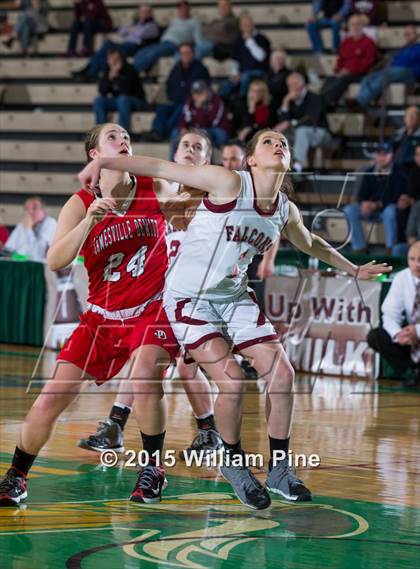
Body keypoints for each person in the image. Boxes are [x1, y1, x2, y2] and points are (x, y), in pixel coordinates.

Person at [78, 128, 390, 510]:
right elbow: (159, 166)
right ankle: (233, 461)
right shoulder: (227, 182)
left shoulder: (283, 209)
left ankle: (279, 469)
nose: (279, 145)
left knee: (283, 374)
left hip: (234, 296)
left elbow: (310, 241)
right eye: (268, 142)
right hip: (189, 298)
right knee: (232, 380)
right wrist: (103, 160)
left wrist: (351, 269)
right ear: (251, 159)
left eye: (284, 144)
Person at [0, 123, 185, 507]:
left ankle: (153, 469)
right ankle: (16, 477)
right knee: (49, 400)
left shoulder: (154, 188)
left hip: (151, 308)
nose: (124, 142)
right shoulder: (81, 202)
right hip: (100, 317)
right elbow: (54, 260)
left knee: (147, 373)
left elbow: (181, 187)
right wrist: (89, 222)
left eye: (127, 138)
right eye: (113, 137)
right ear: (94, 154)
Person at [78, 128, 222, 458]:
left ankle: (214, 433)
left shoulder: (212, 197)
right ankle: (123, 424)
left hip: (196, 295)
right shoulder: (160, 189)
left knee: (186, 367)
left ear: (206, 160)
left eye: (197, 147)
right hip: (160, 295)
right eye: (184, 144)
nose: (189, 150)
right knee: (149, 358)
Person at [367, 242, 420, 387]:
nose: (416, 264)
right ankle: (413, 373)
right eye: (412, 259)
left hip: (417, 331)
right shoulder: (402, 278)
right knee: (375, 336)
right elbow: (389, 314)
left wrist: (418, 331)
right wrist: (398, 334)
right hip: (411, 337)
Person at [139, 42, 210, 142]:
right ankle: (156, 132)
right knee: (162, 108)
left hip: (192, 104)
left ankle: (163, 134)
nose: (184, 55)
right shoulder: (176, 68)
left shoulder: (201, 69)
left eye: (187, 52)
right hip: (175, 101)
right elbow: (169, 85)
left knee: (180, 110)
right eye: (182, 53)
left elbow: (203, 90)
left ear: (193, 53)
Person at [343, 142, 405, 254]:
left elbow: (397, 195)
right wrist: (363, 203)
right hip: (369, 209)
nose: (382, 157)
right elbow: (361, 194)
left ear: (391, 155)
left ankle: (390, 248)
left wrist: (377, 204)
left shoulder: (398, 172)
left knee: (391, 211)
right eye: (379, 154)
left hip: (384, 209)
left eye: (385, 154)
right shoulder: (369, 171)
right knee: (349, 210)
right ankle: (360, 247)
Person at [72, 4, 160, 80]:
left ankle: (87, 71)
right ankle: (88, 71)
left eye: (146, 12)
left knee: (107, 49)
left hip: (134, 46)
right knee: (105, 51)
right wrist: (133, 30)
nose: (143, 14)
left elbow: (143, 34)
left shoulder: (152, 25)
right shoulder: (135, 24)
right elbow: (121, 31)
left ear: (150, 13)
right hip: (124, 44)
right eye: (142, 11)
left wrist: (131, 31)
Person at [275, 72, 334, 172]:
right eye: (289, 85)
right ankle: (279, 165)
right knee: (279, 134)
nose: (292, 88)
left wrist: (291, 123)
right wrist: (285, 103)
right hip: (299, 133)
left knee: (302, 131)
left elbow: (311, 119)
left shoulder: (315, 98)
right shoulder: (291, 100)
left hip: (320, 133)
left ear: (302, 85)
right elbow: (283, 123)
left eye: (294, 84)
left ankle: (297, 167)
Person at [354, 25, 420, 109]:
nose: (407, 36)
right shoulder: (401, 50)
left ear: (416, 35)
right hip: (394, 72)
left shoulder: (418, 48)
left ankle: (360, 102)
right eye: (405, 34)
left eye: (409, 34)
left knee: (389, 74)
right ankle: (365, 102)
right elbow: (392, 63)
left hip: (410, 74)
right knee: (367, 78)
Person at [321, 14, 377, 105]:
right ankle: (323, 101)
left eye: (357, 24)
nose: (355, 27)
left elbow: (368, 63)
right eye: (352, 24)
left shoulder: (369, 43)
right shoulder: (346, 42)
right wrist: (338, 69)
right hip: (345, 73)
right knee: (330, 79)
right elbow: (341, 59)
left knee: (344, 79)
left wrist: (350, 70)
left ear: (362, 26)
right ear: (349, 26)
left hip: (360, 74)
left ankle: (324, 102)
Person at [133, 1, 202, 73]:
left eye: (185, 8)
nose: (183, 10)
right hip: (163, 43)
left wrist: (195, 48)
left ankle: (135, 72)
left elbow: (198, 39)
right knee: (143, 51)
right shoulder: (175, 20)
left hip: (174, 44)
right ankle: (134, 69)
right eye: (180, 9)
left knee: (154, 52)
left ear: (188, 9)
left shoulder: (194, 22)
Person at [93, 48, 146, 132]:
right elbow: (102, 91)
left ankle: (122, 133)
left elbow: (126, 90)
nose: (113, 62)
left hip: (136, 100)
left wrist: (117, 76)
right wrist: (110, 79)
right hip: (118, 101)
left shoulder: (129, 70)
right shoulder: (108, 70)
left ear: (121, 59)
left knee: (123, 99)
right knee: (98, 101)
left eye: (116, 59)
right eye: (111, 59)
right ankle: (101, 132)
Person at [219, 13, 270, 99]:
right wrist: (235, 74)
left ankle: (243, 101)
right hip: (242, 73)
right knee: (225, 85)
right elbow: (235, 60)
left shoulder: (261, 38)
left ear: (253, 24)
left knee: (246, 77)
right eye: (244, 24)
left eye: (248, 23)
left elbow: (261, 57)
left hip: (259, 72)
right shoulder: (238, 40)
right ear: (240, 27)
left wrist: (250, 41)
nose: (246, 26)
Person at [174, 80, 231, 148]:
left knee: (205, 134)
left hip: (217, 129)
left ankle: (205, 156)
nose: (197, 95)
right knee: (175, 133)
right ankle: (174, 158)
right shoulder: (190, 102)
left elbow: (213, 122)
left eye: (200, 92)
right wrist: (183, 128)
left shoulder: (217, 101)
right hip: (197, 129)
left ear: (207, 92)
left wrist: (199, 108)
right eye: (195, 93)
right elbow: (183, 119)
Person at [4, 196, 56, 261]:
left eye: (35, 208)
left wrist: (29, 230)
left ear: (43, 210)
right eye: (27, 209)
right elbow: (8, 250)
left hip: (38, 267)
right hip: (19, 265)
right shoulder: (21, 225)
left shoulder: (50, 223)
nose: (30, 212)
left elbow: (38, 255)